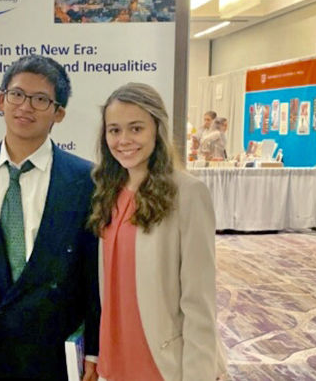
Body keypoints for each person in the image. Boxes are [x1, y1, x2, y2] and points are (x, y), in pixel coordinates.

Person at [0, 54, 100, 381]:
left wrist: (95, 349)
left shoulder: (85, 179)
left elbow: (92, 275)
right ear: (1, 100)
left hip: (51, 348)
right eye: (16, 94)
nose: (25, 106)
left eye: (41, 99)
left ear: (59, 113)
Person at [88, 82, 225, 380]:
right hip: (113, 362)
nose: (124, 140)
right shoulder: (108, 192)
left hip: (162, 363)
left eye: (136, 128)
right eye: (114, 130)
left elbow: (198, 300)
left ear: (157, 130)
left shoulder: (187, 193)